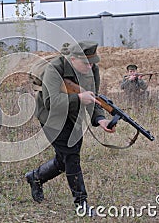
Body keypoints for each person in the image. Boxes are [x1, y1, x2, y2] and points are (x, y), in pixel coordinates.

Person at [25, 41, 115, 216]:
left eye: (92, 62)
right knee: (71, 157)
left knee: (64, 159)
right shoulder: (55, 70)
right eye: (86, 63)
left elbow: (93, 98)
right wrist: (79, 99)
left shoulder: (92, 69)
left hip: (74, 116)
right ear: (72, 59)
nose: (90, 66)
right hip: (52, 118)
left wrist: (101, 119)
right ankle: (81, 203)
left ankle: (35, 177)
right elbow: (51, 102)